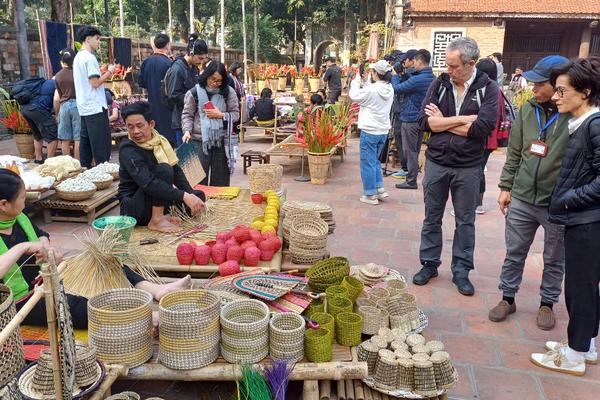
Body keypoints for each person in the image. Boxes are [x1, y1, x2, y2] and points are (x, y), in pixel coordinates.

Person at [0, 168, 192, 328]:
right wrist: (23, 247)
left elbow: (42, 234)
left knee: (107, 261)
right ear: (4, 204)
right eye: (23, 198)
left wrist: (45, 247)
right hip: (20, 301)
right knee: (76, 307)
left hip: (47, 279)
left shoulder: (18, 218)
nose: (25, 202)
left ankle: (156, 290)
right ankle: (142, 319)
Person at [489, 55, 570, 330]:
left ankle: (547, 303)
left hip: (556, 201)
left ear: (558, 83)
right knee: (515, 251)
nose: (533, 88)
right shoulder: (527, 110)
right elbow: (514, 152)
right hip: (523, 195)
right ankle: (507, 297)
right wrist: (505, 186)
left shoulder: (573, 114)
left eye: (539, 84)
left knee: (554, 258)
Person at [530, 57, 600, 376]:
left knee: (579, 287)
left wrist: (570, 200)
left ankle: (574, 354)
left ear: (584, 91)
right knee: (584, 285)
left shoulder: (595, 125)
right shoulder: (584, 123)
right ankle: (586, 345)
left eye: (562, 91)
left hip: (588, 223)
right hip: (584, 220)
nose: (555, 97)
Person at [413, 37, 499, 296]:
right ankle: (429, 264)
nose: (448, 71)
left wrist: (443, 121)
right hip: (437, 163)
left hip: (468, 167)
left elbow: (482, 129)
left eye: (453, 66)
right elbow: (424, 122)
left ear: (470, 64)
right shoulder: (440, 84)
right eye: (446, 65)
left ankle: (461, 271)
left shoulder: (489, 88)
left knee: (465, 221)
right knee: (432, 217)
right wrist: (462, 120)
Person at [118, 101, 205, 233]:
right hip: (135, 207)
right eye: (130, 127)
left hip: (155, 201)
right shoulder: (127, 149)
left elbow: (176, 171)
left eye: (140, 126)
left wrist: (191, 196)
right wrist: (184, 196)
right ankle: (156, 220)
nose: (135, 131)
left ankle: (163, 215)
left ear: (151, 124)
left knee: (199, 196)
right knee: (164, 169)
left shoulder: (161, 142)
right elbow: (148, 183)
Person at [181, 61, 240, 187]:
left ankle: (218, 207)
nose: (215, 83)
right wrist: (186, 131)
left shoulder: (228, 92)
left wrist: (221, 115)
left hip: (222, 142)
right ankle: (198, 206)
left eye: (219, 81)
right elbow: (187, 115)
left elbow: (236, 114)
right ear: (206, 76)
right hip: (198, 141)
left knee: (220, 182)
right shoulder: (194, 93)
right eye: (212, 79)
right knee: (197, 182)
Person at [349, 60, 394, 205]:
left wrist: (356, 81)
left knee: (367, 163)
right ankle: (379, 188)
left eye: (373, 72)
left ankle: (370, 194)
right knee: (374, 161)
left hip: (370, 131)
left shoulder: (372, 90)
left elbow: (355, 95)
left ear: (376, 74)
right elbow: (371, 91)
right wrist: (367, 81)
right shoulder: (389, 88)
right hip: (382, 131)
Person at [391, 49, 435, 190]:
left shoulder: (417, 79)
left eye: (414, 61)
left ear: (420, 61)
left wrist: (395, 75)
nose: (412, 64)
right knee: (414, 150)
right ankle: (412, 177)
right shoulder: (432, 77)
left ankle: (411, 180)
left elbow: (397, 89)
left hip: (410, 119)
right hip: (421, 119)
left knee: (409, 151)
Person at [73, 25, 113, 168]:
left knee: (86, 144)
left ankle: (86, 170)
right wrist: (109, 72)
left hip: (85, 106)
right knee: (101, 144)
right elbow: (95, 82)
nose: (98, 42)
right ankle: (104, 171)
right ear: (88, 39)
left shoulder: (78, 57)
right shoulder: (89, 58)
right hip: (95, 106)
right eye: (97, 39)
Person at [166, 33, 208, 147]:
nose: (202, 61)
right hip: (181, 121)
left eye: (204, 59)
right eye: (200, 58)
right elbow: (173, 95)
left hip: (193, 120)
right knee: (186, 159)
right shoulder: (178, 69)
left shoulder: (194, 68)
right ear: (191, 53)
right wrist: (193, 98)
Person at [138, 33, 175, 146]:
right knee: (169, 141)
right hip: (167, 108)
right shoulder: (169, 63)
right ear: (168, 45)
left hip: (152, 105)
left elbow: (141, 82)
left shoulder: (146, 62)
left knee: (155, 139)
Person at [474, 58, 499, 214]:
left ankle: (476, 204)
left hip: (484, 136)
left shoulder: (488, 89)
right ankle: (477, 203)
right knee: (478, 169)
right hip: (490, 137)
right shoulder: (496, 88)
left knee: (476, 170)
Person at [390, 49, 417, 179]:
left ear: (411, 60)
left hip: (404, 112)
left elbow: (396, 89)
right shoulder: (412, 74)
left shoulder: (413, 74)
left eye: (404, 60)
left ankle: (406, 168)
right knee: (408, 143)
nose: (403, 63)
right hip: (406, 112)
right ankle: (409, 168)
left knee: (402, 140)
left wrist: (395, 76)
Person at [19, 78, 58, 163]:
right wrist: (56, 114)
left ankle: (38, 158)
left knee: (37, 134)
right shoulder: (56, 84)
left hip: (24, 108)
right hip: (36, 109)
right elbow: (56, 99)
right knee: (53, 135)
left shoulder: (41, 83)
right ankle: (49, 162)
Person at [53, 48, 80, 160]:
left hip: (64, 106)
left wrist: (57, 113)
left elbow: (56, 99)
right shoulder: (78, 74)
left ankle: (68, 164)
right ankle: (78, 163)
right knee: (78, 138)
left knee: (64, 138)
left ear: (62, 61)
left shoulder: (57, 76)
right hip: (77, 106)